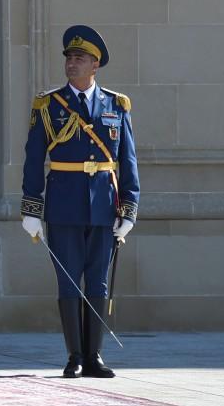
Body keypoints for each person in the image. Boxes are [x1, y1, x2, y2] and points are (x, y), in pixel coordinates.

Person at [20, 25, 139, 379]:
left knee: (98, 282)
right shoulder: (49, 104)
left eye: (80, 59)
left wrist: (129, 209)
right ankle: (74, 356)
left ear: (95, 65)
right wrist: (31, 207)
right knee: (69, 280)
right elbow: (32, 158)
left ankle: (95, 355)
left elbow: (128, 160)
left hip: (104, 205)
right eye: (69, 58)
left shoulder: (116, 105)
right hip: (64, 205)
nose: (72, 64)